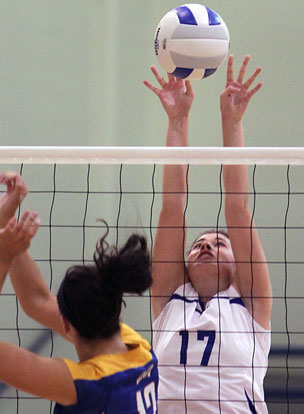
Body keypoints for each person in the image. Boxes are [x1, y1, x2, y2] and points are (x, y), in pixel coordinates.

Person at [143, 55, 272, 413]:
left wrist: (231, 123)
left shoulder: (250, 306)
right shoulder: (170, 300)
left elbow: (237, 207)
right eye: (198, 245)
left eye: (219, 244)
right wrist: (177, 120)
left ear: (237, 265)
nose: (204, 247)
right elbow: (173, 207)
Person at [0, 171, 158, 414]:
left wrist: (3, 256)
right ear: (115, 310)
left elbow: (39, 301)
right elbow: (37, 300)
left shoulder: (90, 386)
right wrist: (5, 219)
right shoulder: (140, 351)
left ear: (65, 325)